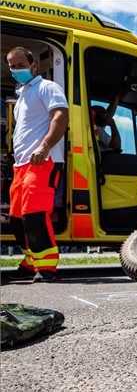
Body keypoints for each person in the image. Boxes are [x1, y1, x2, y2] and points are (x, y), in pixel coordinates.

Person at [7, 46, 68, 283]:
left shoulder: (47, 87)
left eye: (20, 65)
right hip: (21, 165)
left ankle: (47, 267)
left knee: (34, 214)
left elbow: (60, 117)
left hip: (43, 161)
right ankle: (31, 261)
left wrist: (44, 147)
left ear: (34, 65)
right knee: (16, 219)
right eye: (12, 66)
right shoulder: (23, 95)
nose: (15, 70)